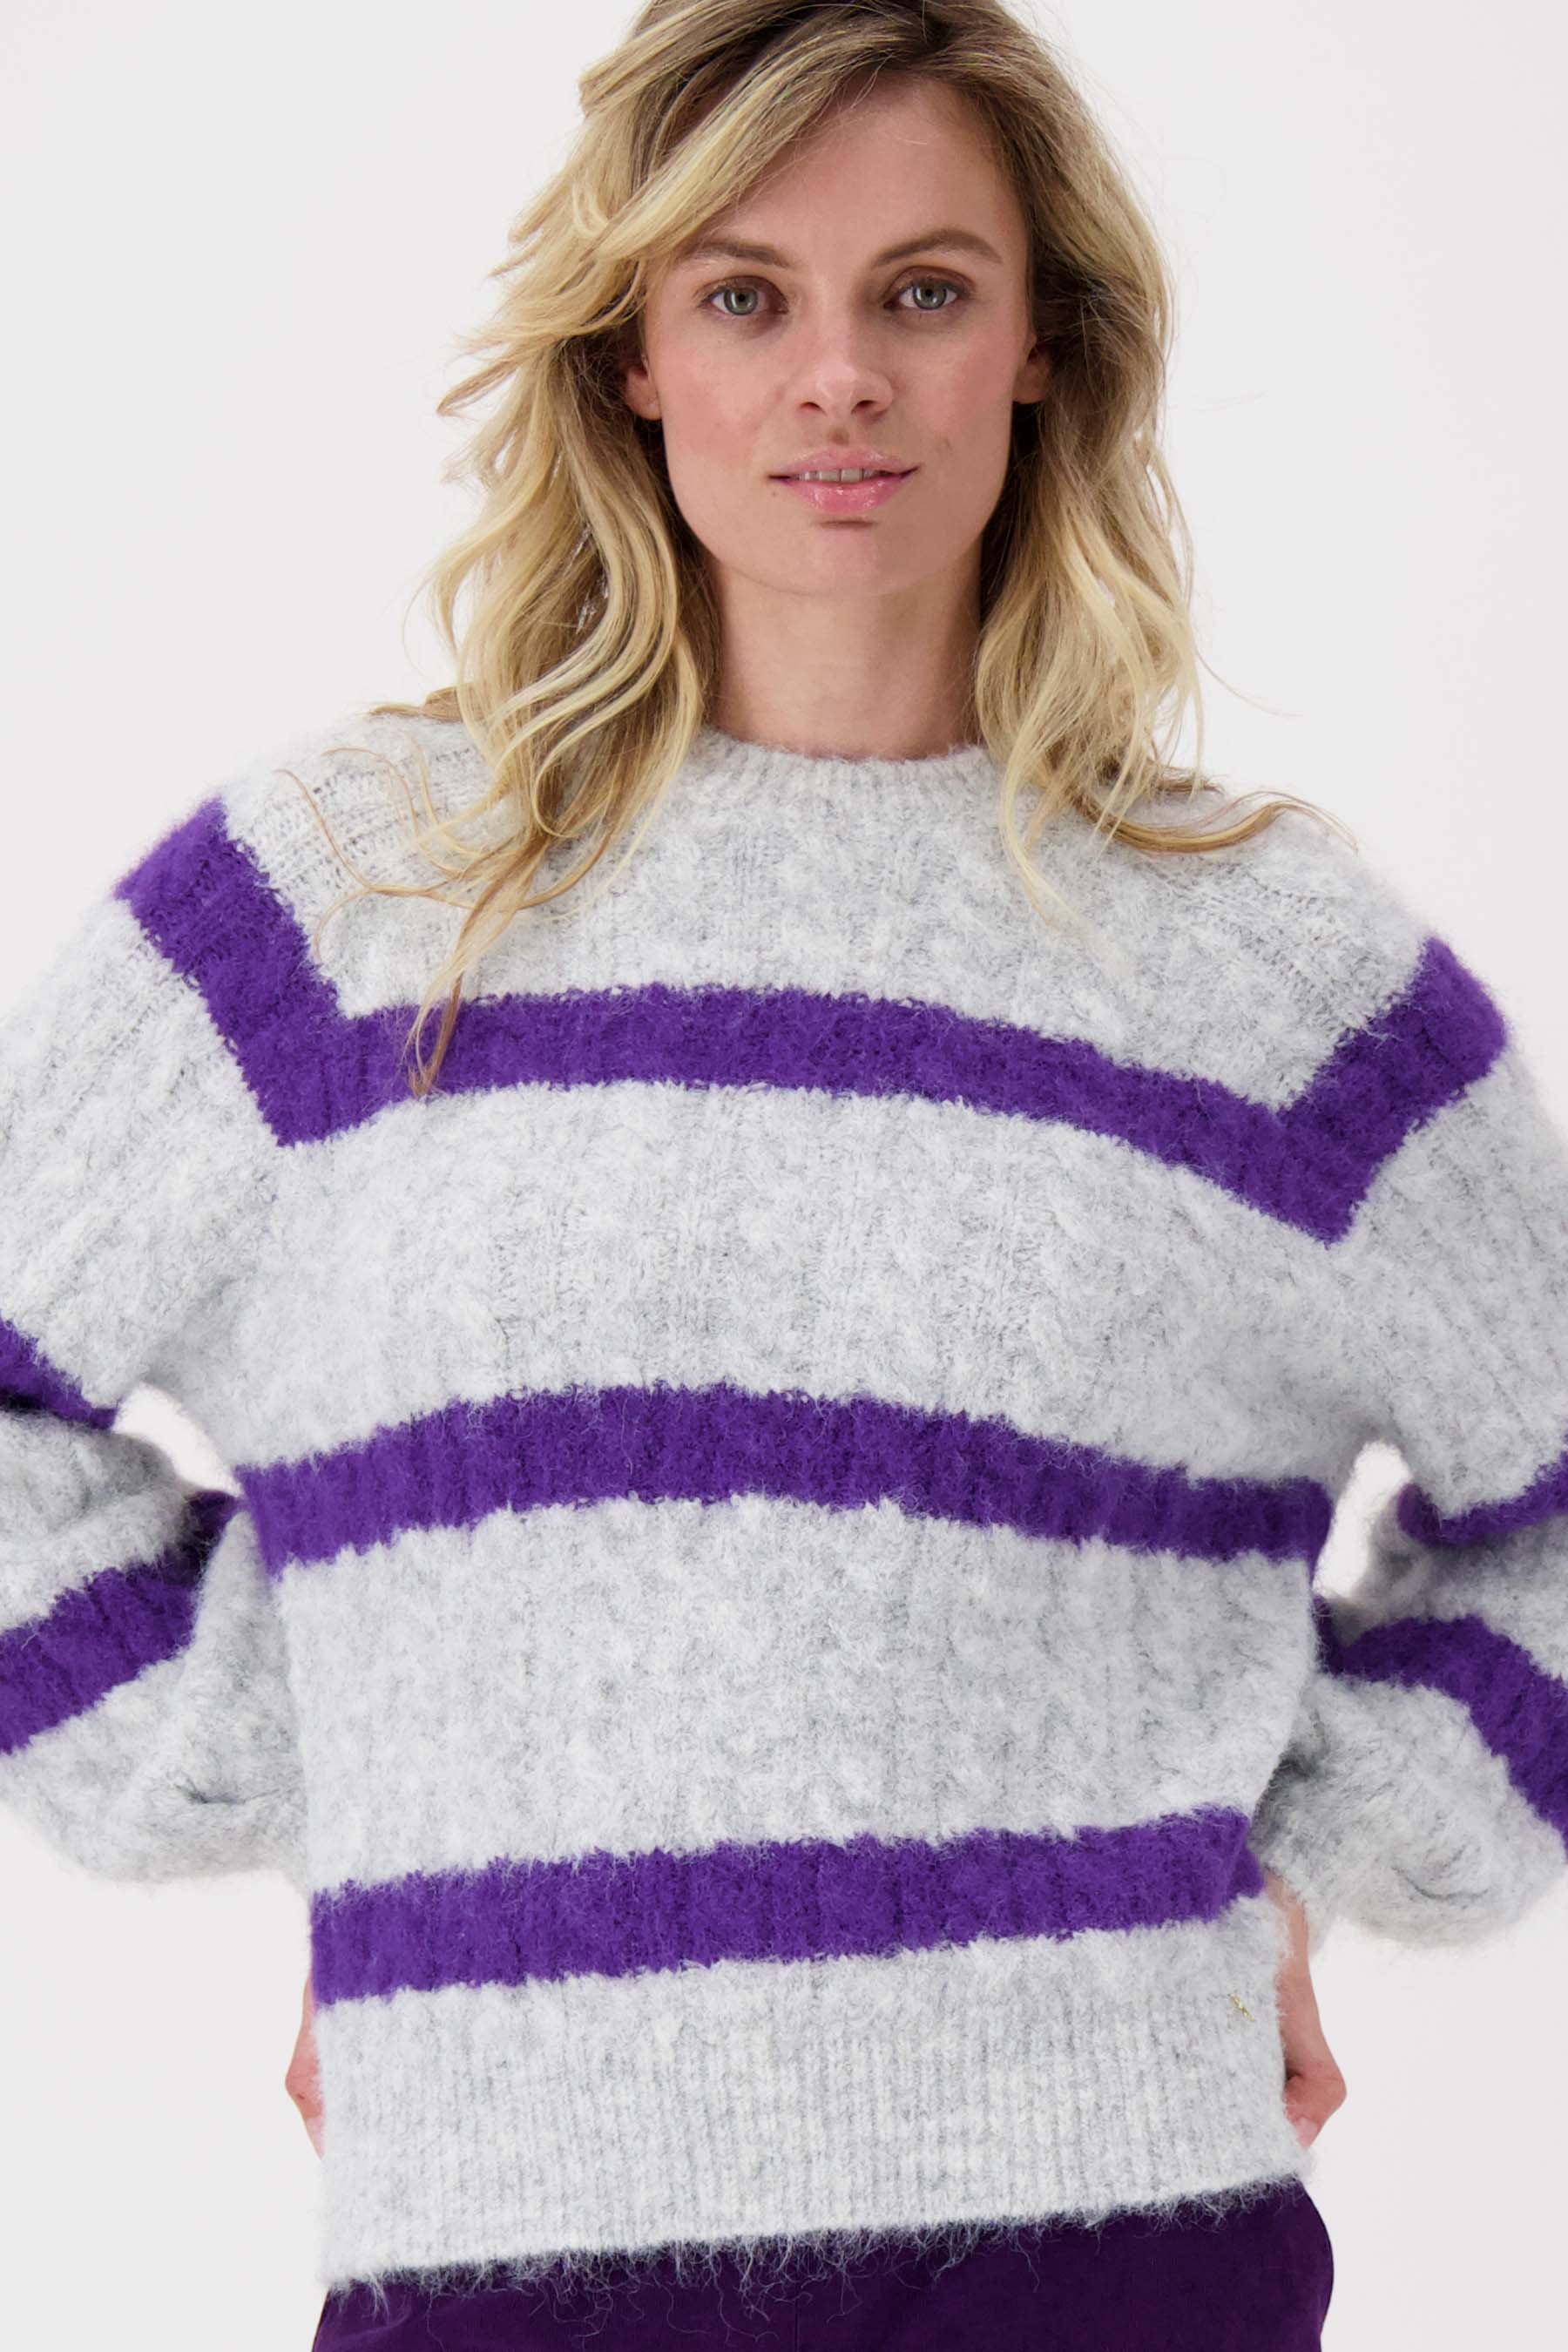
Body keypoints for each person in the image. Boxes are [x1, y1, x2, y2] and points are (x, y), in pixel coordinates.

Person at [4, 4, 1565, 2346]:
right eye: (747, 295)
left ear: (1041, 348)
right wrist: (393, 1760)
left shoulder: (1264, 973)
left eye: (925, 290)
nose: (839, 376)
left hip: (1108, 2238)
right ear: (633, 353)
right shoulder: (348, 904)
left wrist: (1319, 1849)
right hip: (504, 2246)